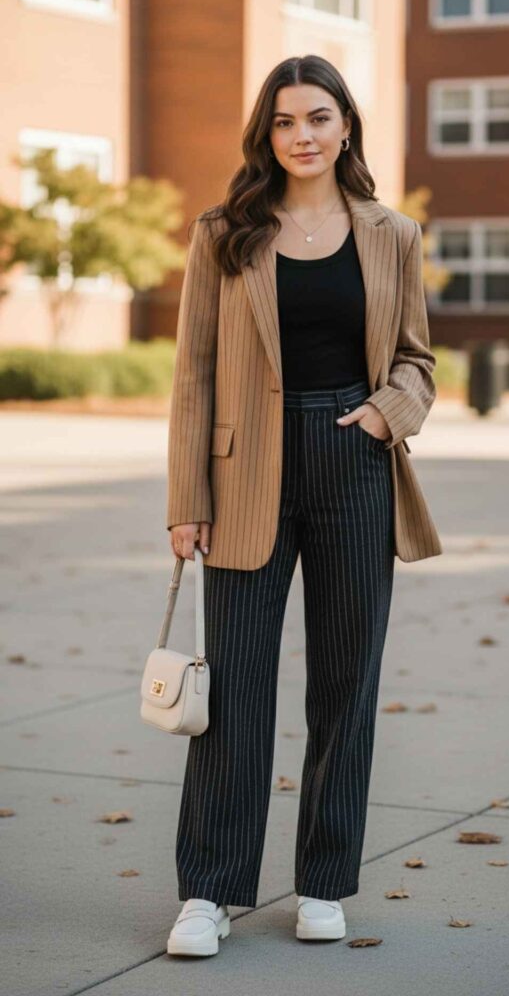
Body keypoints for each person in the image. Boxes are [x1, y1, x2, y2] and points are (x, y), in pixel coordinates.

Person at [165, 54, 442, 958]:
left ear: (346, 125)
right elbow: (194, 378)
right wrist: (186, 498)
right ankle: (209, 892)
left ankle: (324, 883)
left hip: (353, 461)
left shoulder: (392, 234)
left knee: (344, 687)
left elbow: (417, 362)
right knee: (235, 689)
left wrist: (380, 419)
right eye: (284, 121)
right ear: (267, 134)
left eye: (318, 117)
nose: (303, 135)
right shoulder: (223, 233)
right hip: (246, 472)